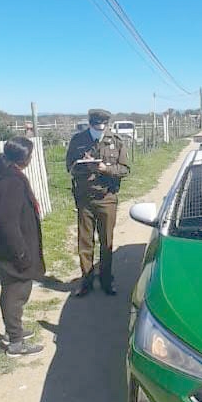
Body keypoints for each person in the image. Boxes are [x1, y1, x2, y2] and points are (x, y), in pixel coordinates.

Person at [0, 136, 46, 357]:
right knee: (16, 291)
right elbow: (8, 221)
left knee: (13, 288)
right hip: (13, 246)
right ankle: (16, 343)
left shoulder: (5, 174)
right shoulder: (11, 181)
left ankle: (13, 330)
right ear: (23, 158)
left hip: (8, 243)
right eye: (30, 155)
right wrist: (21, 253)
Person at [66, 108, 130, 297]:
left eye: (102, 125)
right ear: (90, 123)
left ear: (107, 124)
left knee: (106, 241)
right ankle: (86, 281)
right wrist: (83, 164)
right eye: (96, 125)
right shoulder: (78, 140)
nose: (100, 128)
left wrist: (105, 168)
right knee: (85, 242)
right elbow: (69, 166)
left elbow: (125, 169)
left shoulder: (116, 142)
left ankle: (106, 280)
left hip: (107, 198)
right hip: (85, 198)